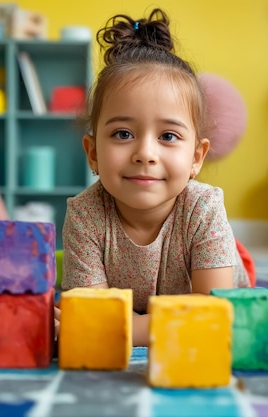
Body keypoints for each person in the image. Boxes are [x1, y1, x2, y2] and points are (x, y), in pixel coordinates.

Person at [59, 8, 250, 346]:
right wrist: (101, 321)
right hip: (166, 302)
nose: (145, 153)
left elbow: (214, 312)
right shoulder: (85, 214)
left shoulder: (203, 206)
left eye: (168, 136)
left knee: (241, 273)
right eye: (122, 134)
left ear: (196, 158)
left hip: (220, 265)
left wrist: (129, 328)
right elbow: (91, 314)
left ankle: (236, 251)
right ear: (92, 153)